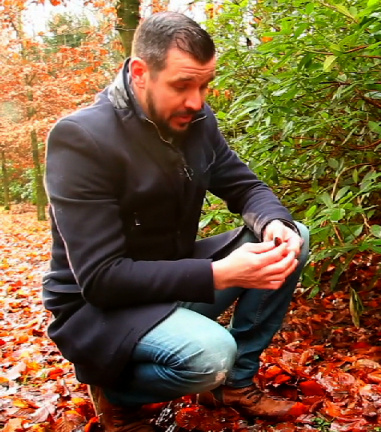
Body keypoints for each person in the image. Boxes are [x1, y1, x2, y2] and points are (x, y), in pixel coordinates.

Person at [42, 11, 309, 432]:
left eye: (204, 85)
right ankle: (116, 393)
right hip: (99, 307)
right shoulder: (82, 139)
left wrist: (274, 222)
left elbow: (244, 186)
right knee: (211, 354)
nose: (196, 101)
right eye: (182, 86)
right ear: (140, 73)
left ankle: (235, 385)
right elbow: (101, 279)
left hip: (172, 275)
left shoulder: (197, 121)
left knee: (295, 238)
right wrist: (219, 273)